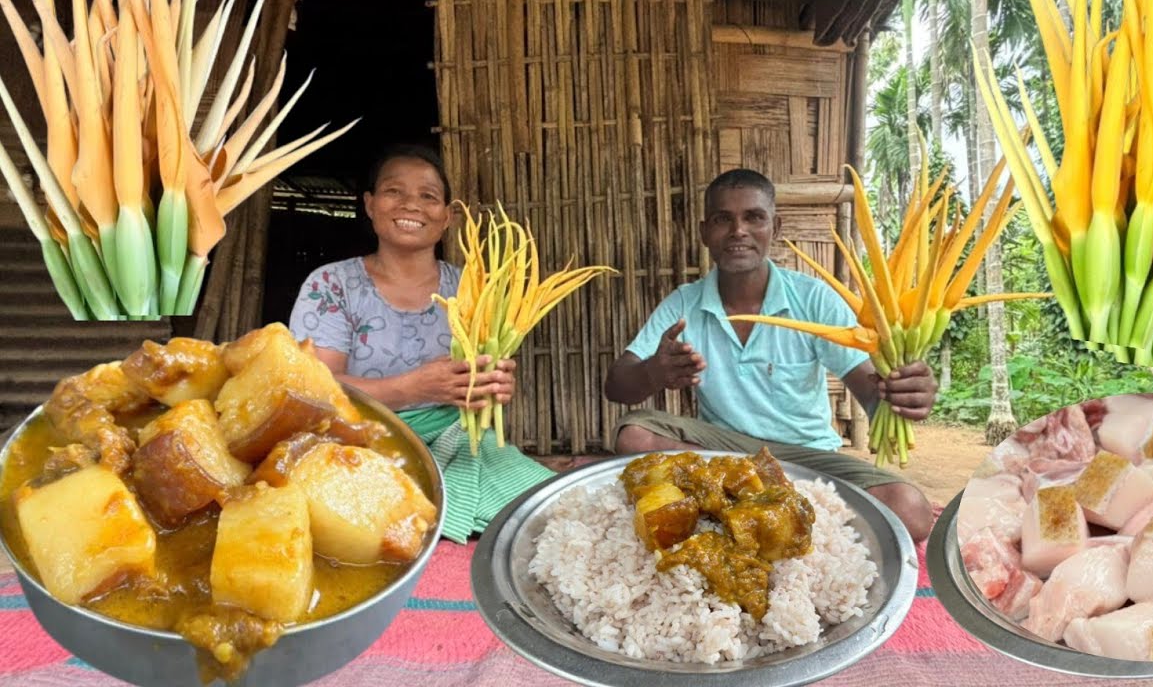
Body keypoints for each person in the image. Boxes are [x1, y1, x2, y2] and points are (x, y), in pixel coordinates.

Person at [603, 168, 937, 543]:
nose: (738, 230)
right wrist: (653, 372)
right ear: (704, 232)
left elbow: (870, 395)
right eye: (722, 219)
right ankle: (779, 509)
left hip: (806, 460)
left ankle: (749, 503)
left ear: (775, 228)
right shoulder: (685, 302)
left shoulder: (813, 298)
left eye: (754, 217)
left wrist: (902, 395)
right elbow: (616, 385)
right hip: (723, 454)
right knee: (634, 433)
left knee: (910, 512)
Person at [288, 143, 553, 543]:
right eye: (394, 192)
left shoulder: (473, 288)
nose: (411, 205)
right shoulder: (332, 284)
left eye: (428, 196)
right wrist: (412, 388)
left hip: (459, 445)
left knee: (547, 504)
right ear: (370, 204)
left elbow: (481, 376)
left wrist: (491, 385)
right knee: (333, 514)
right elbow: (315, 390)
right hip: (357, 441)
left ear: (446, 217)